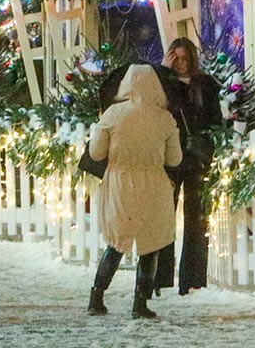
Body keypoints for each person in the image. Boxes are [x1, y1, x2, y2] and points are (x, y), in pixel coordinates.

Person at [86, 63, 183, 320]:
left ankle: (97, 297)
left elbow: (96, 153)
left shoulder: (113, 114)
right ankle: (140, 304)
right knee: (150, 245)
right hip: (154, 184)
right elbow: (174, 159)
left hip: (120, 182)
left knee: (116, 242)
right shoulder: (165, 118)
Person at [160, 36, 223, 295]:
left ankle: (193, 279)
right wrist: (164, 70)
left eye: (186, 58)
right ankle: (160, 279)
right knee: (164, 219)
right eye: (177, 58)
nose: (182, 64)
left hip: (197, 157)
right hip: (171, 156)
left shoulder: (206, 85)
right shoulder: (163, 84)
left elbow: (215, 119)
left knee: (197, 219)